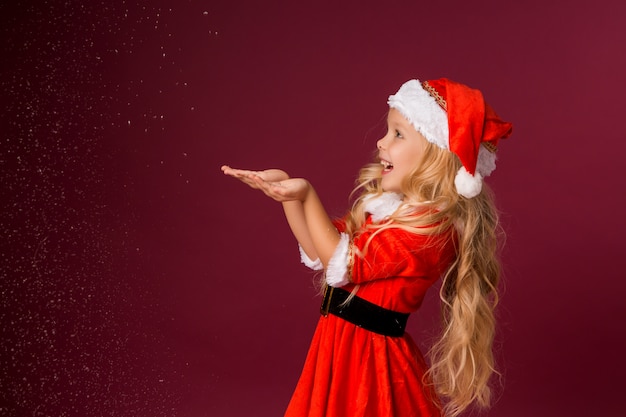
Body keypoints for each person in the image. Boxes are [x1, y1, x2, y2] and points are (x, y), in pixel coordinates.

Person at [221, 78, 513, 417]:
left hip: (372, 366)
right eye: (388, 131)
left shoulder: (429, 232)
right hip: (340, 351)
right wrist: (289, 196)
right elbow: (321, 252)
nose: (381, 141)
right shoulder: (388, 211)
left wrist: (306, 194)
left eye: (398, 134)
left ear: (436, 155)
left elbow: (341, 263)